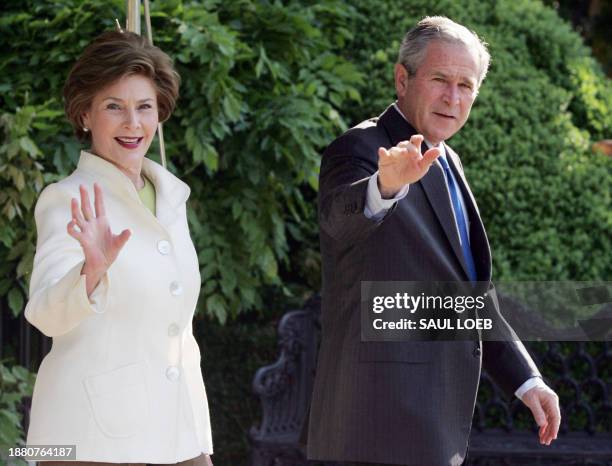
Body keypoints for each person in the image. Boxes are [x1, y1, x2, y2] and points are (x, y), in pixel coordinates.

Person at [307, 16, 561, 466]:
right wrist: (382, 188)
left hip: (435, 431)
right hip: (373, 432)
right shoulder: (360, 150)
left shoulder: (450, 161)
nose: (453, 97)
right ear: (402, 79)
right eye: (440, 79)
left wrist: (527, 381)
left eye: (466, 86)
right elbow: (338, 223)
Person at [24, 31, 213, 465]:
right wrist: (90, 273)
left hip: (180, 431)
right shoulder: (68, 198)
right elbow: (45, 314)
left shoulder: (170, 197)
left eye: (144, 107)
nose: (133, 124)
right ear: (85, 115)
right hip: (91, 436)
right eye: (114, 107)